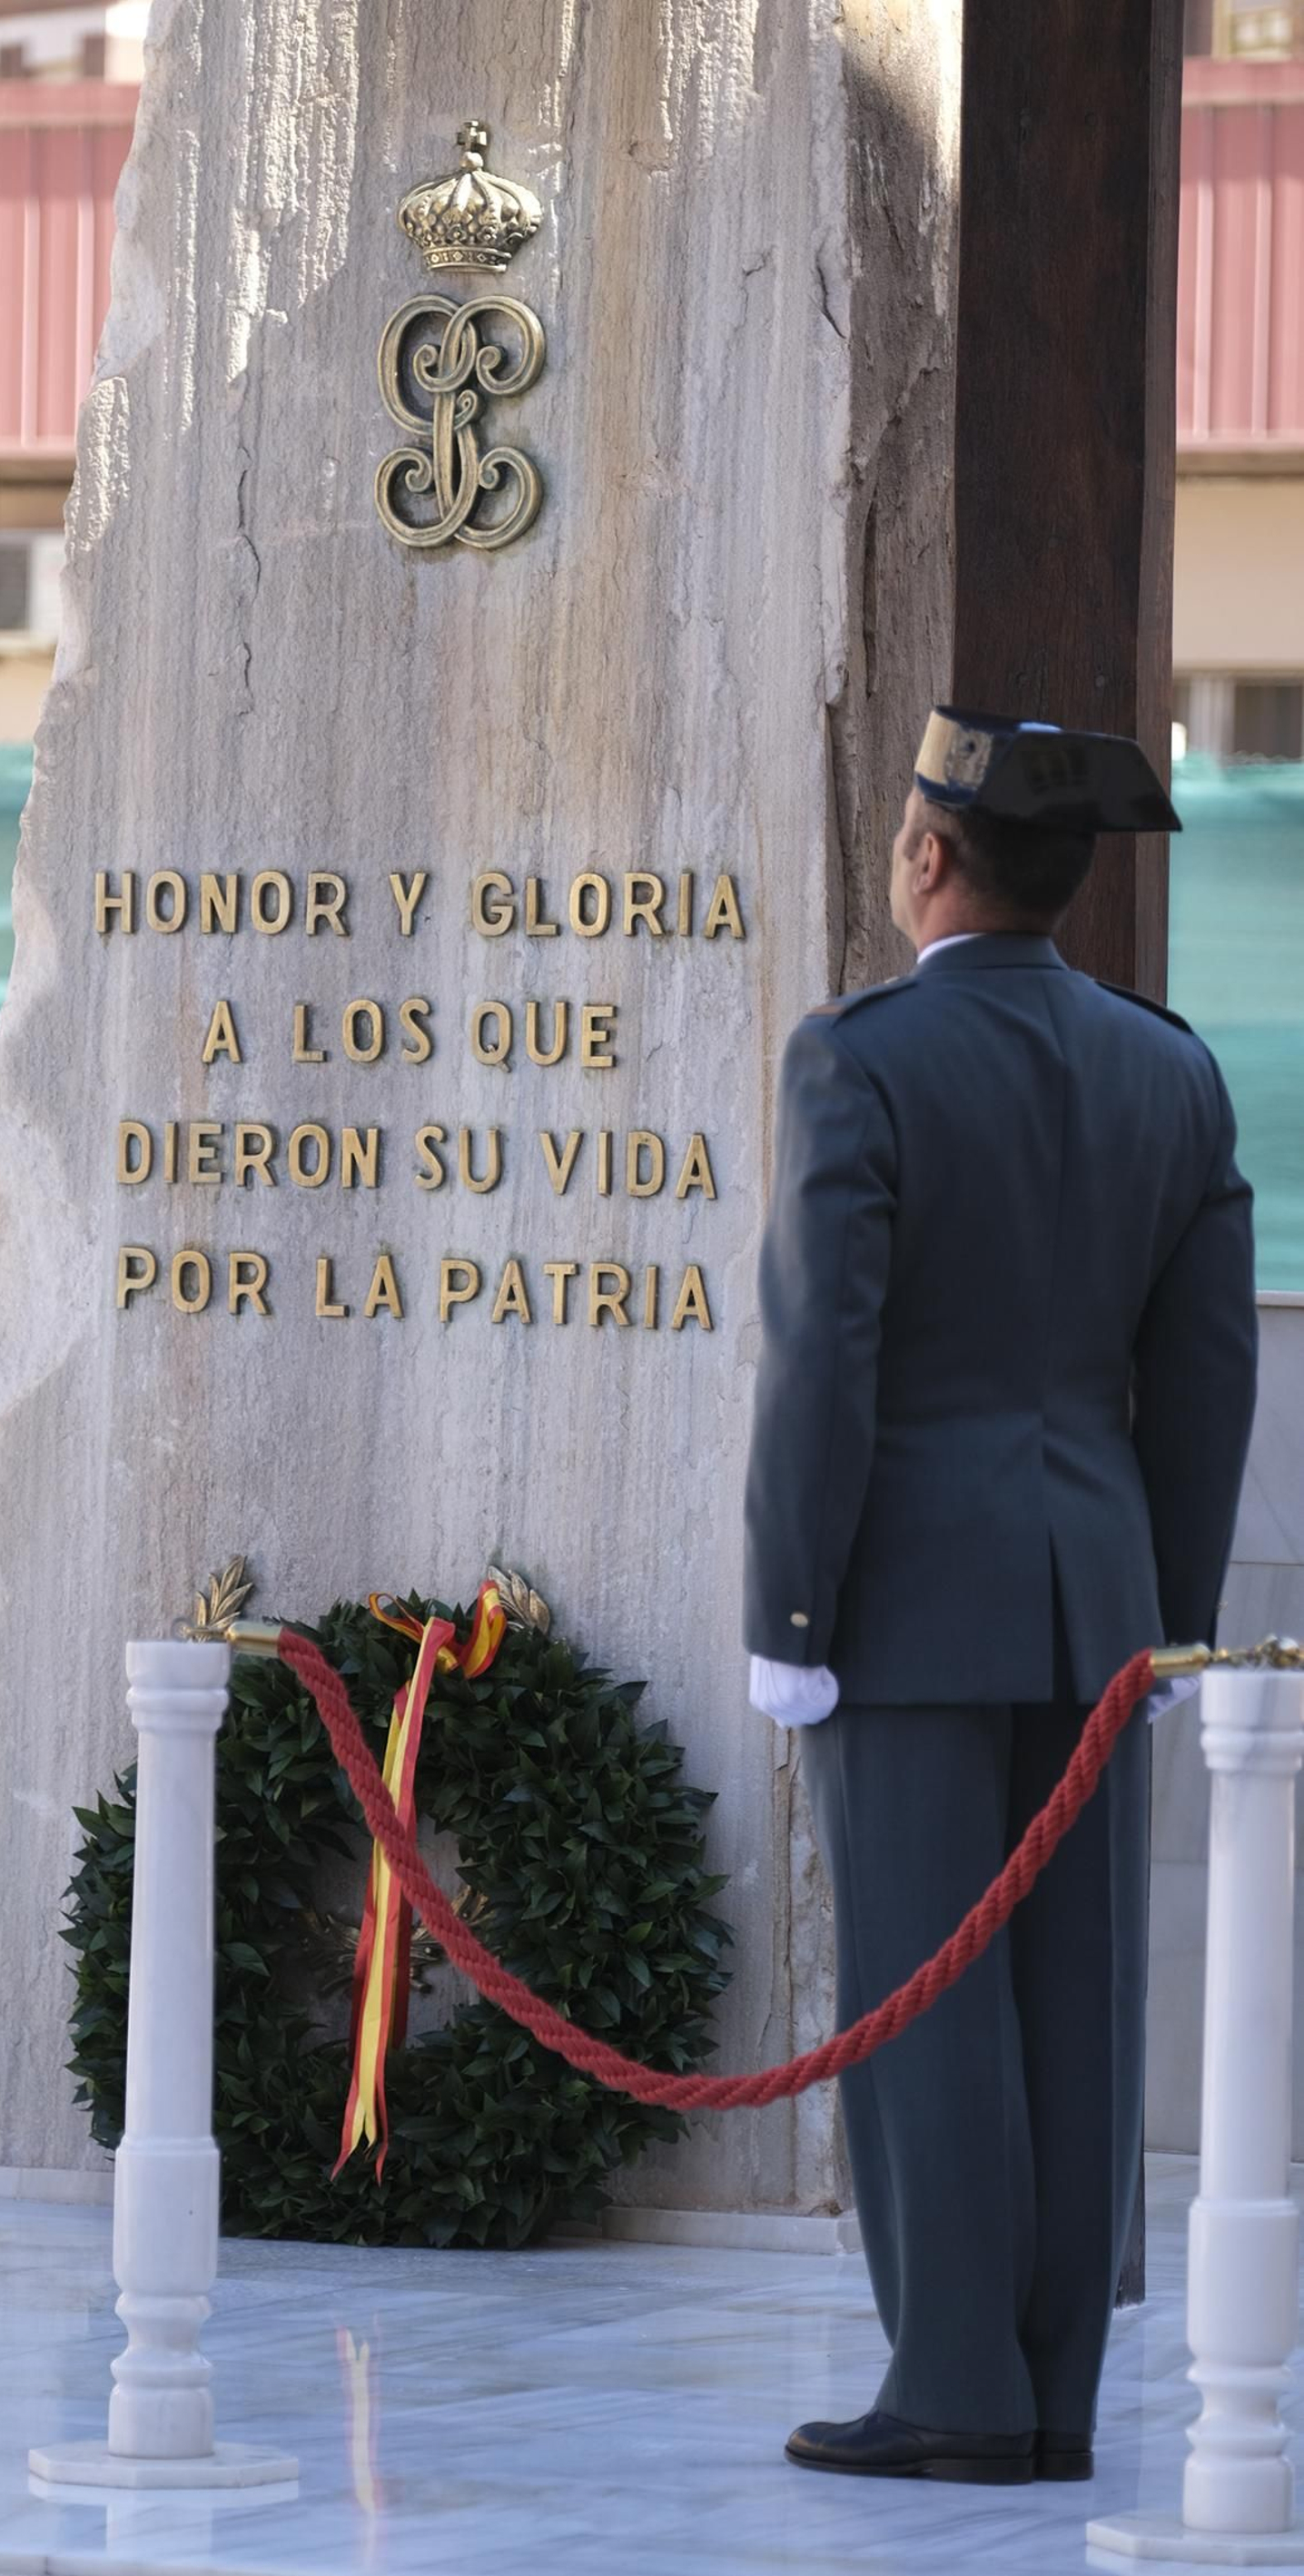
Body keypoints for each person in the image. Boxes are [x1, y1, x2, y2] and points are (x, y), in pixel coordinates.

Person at [743, 707, 1258, 2487]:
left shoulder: (858, 1059)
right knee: (1072, 1989)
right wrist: (1171, 1620)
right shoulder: (1166, 1069)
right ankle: (1050, 2394)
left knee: (923, 1984)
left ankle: (952, 2378)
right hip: (1098, 1591)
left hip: (899, 1600)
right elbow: (1200, 1387)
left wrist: (788, 1619)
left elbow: (827, 1365)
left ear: (924, 856)